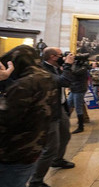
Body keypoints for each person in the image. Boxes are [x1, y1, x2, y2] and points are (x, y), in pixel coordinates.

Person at [0, 45, 55, 187]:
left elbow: (5, 118)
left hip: (12, 152)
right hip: (32, 148)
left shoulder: (24, 84)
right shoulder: (46, 78)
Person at [29, 47, 76, 187]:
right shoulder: (44, 69)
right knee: (50, 147)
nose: (64, 57)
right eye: (62, 55)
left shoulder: (55, 67)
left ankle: (58, 160)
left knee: (65, 135)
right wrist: (67, 65)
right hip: (49, 111)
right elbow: (64, 82)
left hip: (59, 107)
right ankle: (36, 180)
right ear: (53, 57)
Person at [67, 55, 89, 134]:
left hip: (79, 89)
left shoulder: (83, 67)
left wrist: (68, 65)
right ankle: (65, 123)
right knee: (68, 105)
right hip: (74, 88)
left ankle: (81, 127)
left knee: (78, 107)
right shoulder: (77, 65)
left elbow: (75, 72)